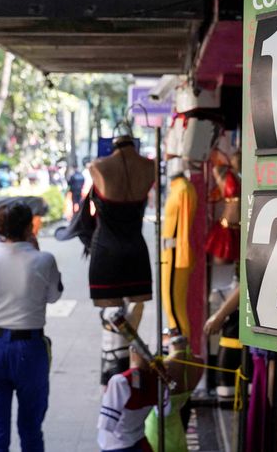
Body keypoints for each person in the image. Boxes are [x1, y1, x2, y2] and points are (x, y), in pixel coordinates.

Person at [0, 202, 62, 452]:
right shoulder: (43, 260)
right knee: (31, 430)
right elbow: (53, 297)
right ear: (30, 227)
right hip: (29, 348)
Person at [88, 134, 156, 307]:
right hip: (136, 251)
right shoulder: (150, 166)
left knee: (111, 319)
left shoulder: (98, 166)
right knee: (133, 311)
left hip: (105, 251)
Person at [97, 347, 165, 452]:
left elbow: (106, 424)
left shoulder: (120, 382)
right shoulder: (159, 380)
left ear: (133, 353)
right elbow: (165, 411)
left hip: (116, 445)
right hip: (140, 443)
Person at [144, 335, 204, 452]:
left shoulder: (163, 366)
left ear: (171, 346)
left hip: (155, 433)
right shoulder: (199, 363)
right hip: (178, 435)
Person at [160, 160, 197, 338]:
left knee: (174, 305)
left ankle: (183, 350)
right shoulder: (178, 188)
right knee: (170, 302)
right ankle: (179, 344)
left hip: (176, 253)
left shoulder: (183, 189)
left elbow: (183, 226)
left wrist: (182, 257)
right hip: (170, 253)